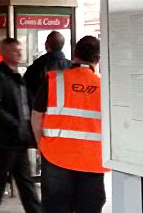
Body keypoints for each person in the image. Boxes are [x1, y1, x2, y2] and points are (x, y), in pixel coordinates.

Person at [31, 36, 108, 213]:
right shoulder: (104, 86)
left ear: (74, 54)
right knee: (89, 208)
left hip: (56, 155)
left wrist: (40, 144)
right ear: (97, 59)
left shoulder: (54, 80)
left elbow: (36, 115)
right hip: (92, 159)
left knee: (55, 207)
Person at [0, 38, 41, 213]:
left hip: (19, 139)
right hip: (6, 141)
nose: (20, 53)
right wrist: (15, 124)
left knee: (25, 182)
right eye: (15, 51)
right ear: (4, 53)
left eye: (20, 50)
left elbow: (24, 103)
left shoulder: (16, 76)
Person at [22, 31, 72, 100]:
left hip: (42, 109)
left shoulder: (37, 66)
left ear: (46, 45)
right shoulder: (72, 67)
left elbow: (26, 92)